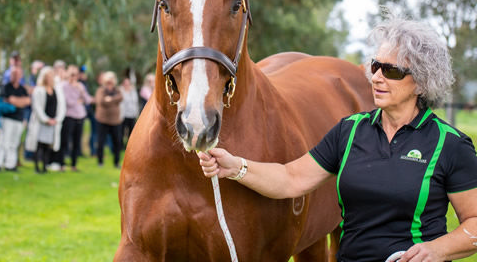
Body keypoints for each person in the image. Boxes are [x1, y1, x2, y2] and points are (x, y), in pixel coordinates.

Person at [199, 16, 477, 262]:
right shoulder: (350, 131)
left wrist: (437, 250)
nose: (377, 78)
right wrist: (235, 167)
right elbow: (291, 178)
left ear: (420, 82)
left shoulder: (450, 145)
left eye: (391, 71)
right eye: (376, 66)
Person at [25, 67, 66, 173]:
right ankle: (37, 167)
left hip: (53, 122)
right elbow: (37, 107)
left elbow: (61, 106)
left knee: (48, 145)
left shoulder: (57, 91)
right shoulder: (39, 90)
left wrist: (57, 119)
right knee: (38, 145)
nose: (49, 79)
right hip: (41, 122)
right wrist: (46, 119)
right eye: (47, 77)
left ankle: (45, 165)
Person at [0, 67, 30, 171]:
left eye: (18, 74)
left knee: (14, 143)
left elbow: (27, 101)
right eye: (14, 74)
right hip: (7, 118)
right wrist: (19, 101)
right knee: (3, 141)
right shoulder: (6, 87)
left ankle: (10, 164)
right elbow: (9, 99)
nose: (16, 76)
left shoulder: (22, 89)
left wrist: (16, 101)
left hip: (19, 119)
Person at [57, 65, 92, 171]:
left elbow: (88, 100)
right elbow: (68, 102)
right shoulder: (63, 86)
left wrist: (81, 91)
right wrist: (78, 101)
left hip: (80, 116)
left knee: (77, 141)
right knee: (65, 141)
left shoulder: (80, 86)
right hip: (69, 116)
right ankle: (61, 163)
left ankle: (73, 164)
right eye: (72, 75)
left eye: (76, 75)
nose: (74, 77)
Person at [94, 71, 123, 168]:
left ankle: (116, 162)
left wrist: (110, 99)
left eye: (112, 78)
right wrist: (114, 100)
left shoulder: (117, 90)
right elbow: (101, 101)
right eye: (108, 78)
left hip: (115, 120)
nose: (110, 80)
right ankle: (100, 161)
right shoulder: (101, 90)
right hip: (103, 120)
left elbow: (120, 98)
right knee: (101, 141)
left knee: (117, 142)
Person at [80, 66, 99, 157]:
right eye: (83, 73)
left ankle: (93, 151)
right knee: (79, 132)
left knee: (94, 130)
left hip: (89, 109)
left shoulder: (87, 83)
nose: (84, 75)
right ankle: (79, 152)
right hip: (81, 110)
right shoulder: (79, 83)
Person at [119, 76, 139, 147]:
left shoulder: (133, 92)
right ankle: (121, 145)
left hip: (132, 114)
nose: (127, 85)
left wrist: (136, 114)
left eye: (128, 84)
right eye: (125, 84)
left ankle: (129, 145)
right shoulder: (120, 91)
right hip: (123, 115)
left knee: (131, 131)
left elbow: (135, 103)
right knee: (122, 131)